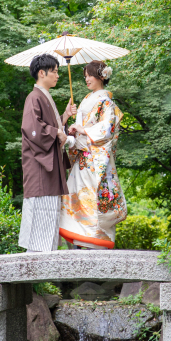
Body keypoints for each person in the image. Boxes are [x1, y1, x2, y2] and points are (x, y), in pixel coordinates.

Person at [59, 60, 128, 249]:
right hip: (83, 158)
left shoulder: (106, 101)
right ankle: (80, 241)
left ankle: (94, 240)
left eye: (89, 75)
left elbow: (107, 129)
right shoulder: (87, 99)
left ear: (101, 76)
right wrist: (72, 127)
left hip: (94, 158)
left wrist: (81, 129)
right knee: (76, 196)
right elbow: (81, 128)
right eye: (85, 76)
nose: (86, 79)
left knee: (93, 198)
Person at [18, 53, 77, 252]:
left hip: (49, 167)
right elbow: (32, 128)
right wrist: (57, 132)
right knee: (40, 216)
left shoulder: (43, 96)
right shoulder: (34, 97)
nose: (57, 75)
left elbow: (51, 127)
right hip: (40, 169)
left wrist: (65, 116)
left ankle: (41, 261)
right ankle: (35, 262)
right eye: (54, 71)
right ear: (42, 73)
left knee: (48, 216)